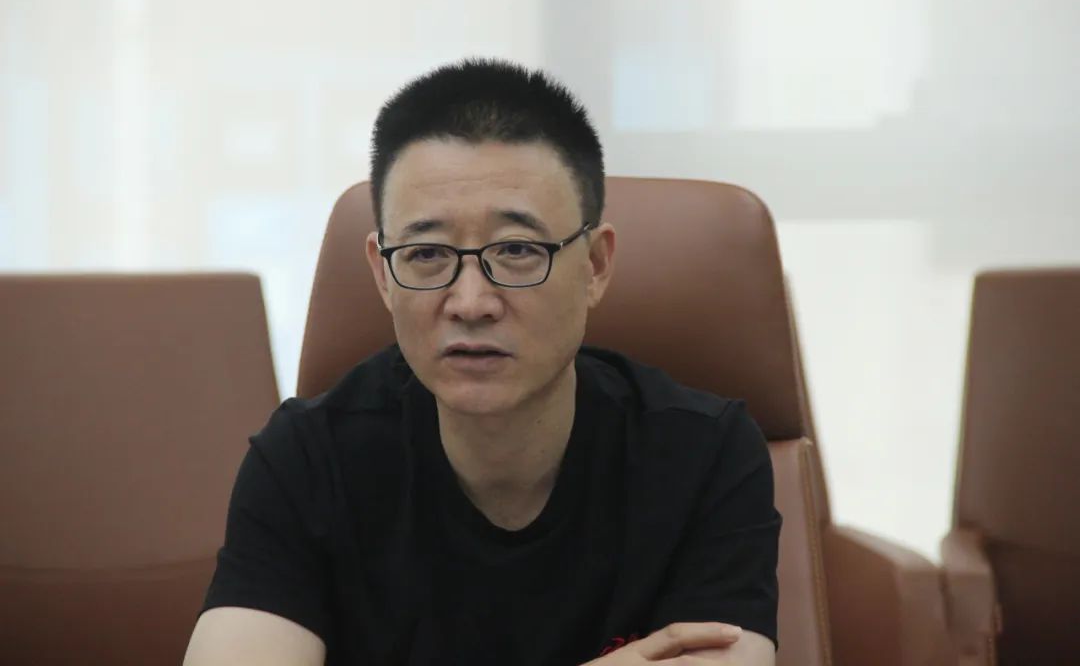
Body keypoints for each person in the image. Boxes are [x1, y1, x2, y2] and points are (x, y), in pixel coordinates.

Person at [183, 59, 781, 666]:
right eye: (425, 254)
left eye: (518, 249)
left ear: (595, 266)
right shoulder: (307, 460)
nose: (470, 303)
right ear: (382, 275)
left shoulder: (706, 454)